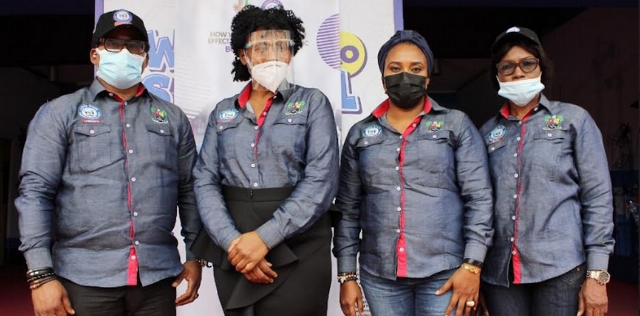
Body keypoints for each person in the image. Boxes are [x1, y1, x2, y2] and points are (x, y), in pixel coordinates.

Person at [16, 9, 202, 316]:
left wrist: (195, 255)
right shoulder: (59, 113)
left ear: (145, 59)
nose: (125, 52)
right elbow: (35, 194)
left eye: (135, 46)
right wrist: (40, 275)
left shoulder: (172, 118)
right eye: (114, 44)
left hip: (157, 280)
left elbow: (189, 191)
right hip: (83, 280)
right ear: (95, 54)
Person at [332, 30, 494, 316]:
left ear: (428, 77)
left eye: (415, 69)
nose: (405, 76)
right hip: (380, 276)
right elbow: (347, 209)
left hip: (445, 272)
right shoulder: (360, 135)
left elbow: (479, 198)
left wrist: (472, 265)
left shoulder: (455, 125)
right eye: (395, 69)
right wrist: (347, 276)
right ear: (383, 78)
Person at [191, 5, 339, 316]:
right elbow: (205, 179)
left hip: (300, 243)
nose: (271, 54)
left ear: (292, 52)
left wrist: (263, 238)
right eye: (260, 46)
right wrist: (234, 243)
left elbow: (321, 182)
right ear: (242, 56)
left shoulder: (312, 103)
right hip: (236, 249)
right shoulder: (222, 111)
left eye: (281, 45)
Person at [479, 26, 614, 316]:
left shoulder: (573, 120)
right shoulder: (488, 133)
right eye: (507, 66)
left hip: (561, 269)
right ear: (497, 75)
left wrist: (597, 274)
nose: (518, 73)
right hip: (501, 274)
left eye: (527, 63)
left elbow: (598, 199)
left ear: (541, 67)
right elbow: (478, 203)